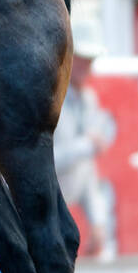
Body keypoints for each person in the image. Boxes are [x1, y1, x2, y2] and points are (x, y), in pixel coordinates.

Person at [52, 17, 113, 257]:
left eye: (89, 60)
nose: (85, 65)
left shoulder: (87, 100)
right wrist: (85, 146)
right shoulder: (49, 100)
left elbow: (87, 170)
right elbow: (42, 162)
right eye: (81, 58)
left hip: (53, 213)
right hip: (34, 214)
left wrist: (97, 222)